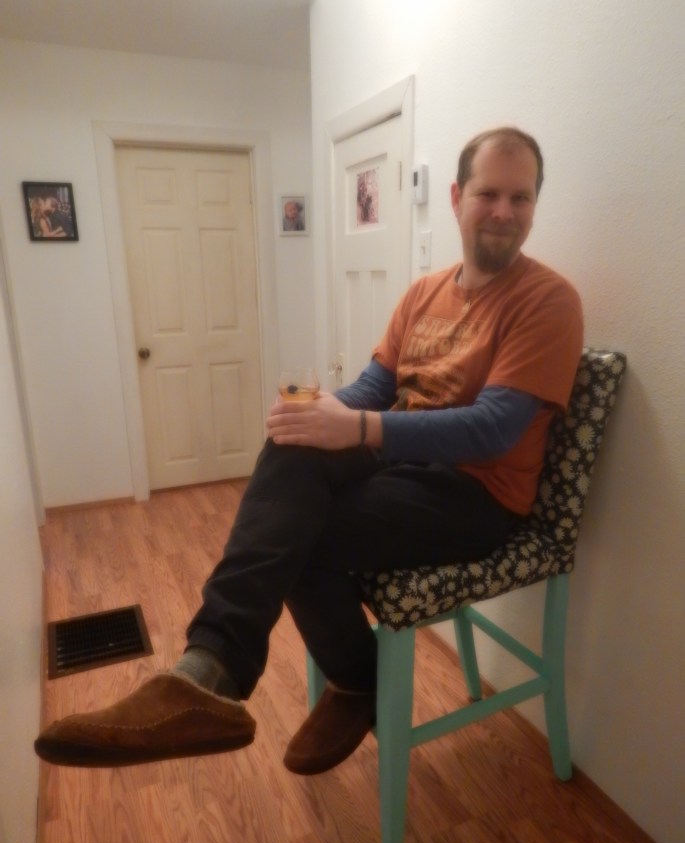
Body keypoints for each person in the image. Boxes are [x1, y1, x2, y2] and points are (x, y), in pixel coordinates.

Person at [35, 126, 583, 774]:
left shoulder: (547, 300)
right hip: (403, 462)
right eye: (489, 193)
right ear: (457, 197)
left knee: (296, 532)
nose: (503, 211)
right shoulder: (424, 293)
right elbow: (375, 388)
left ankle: (351, 681)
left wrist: (355, 428)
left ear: (534, 204)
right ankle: (203, 671)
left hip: (476, 493)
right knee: (292, 447)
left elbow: (492, 429)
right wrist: (319, 414)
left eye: (521, 197)